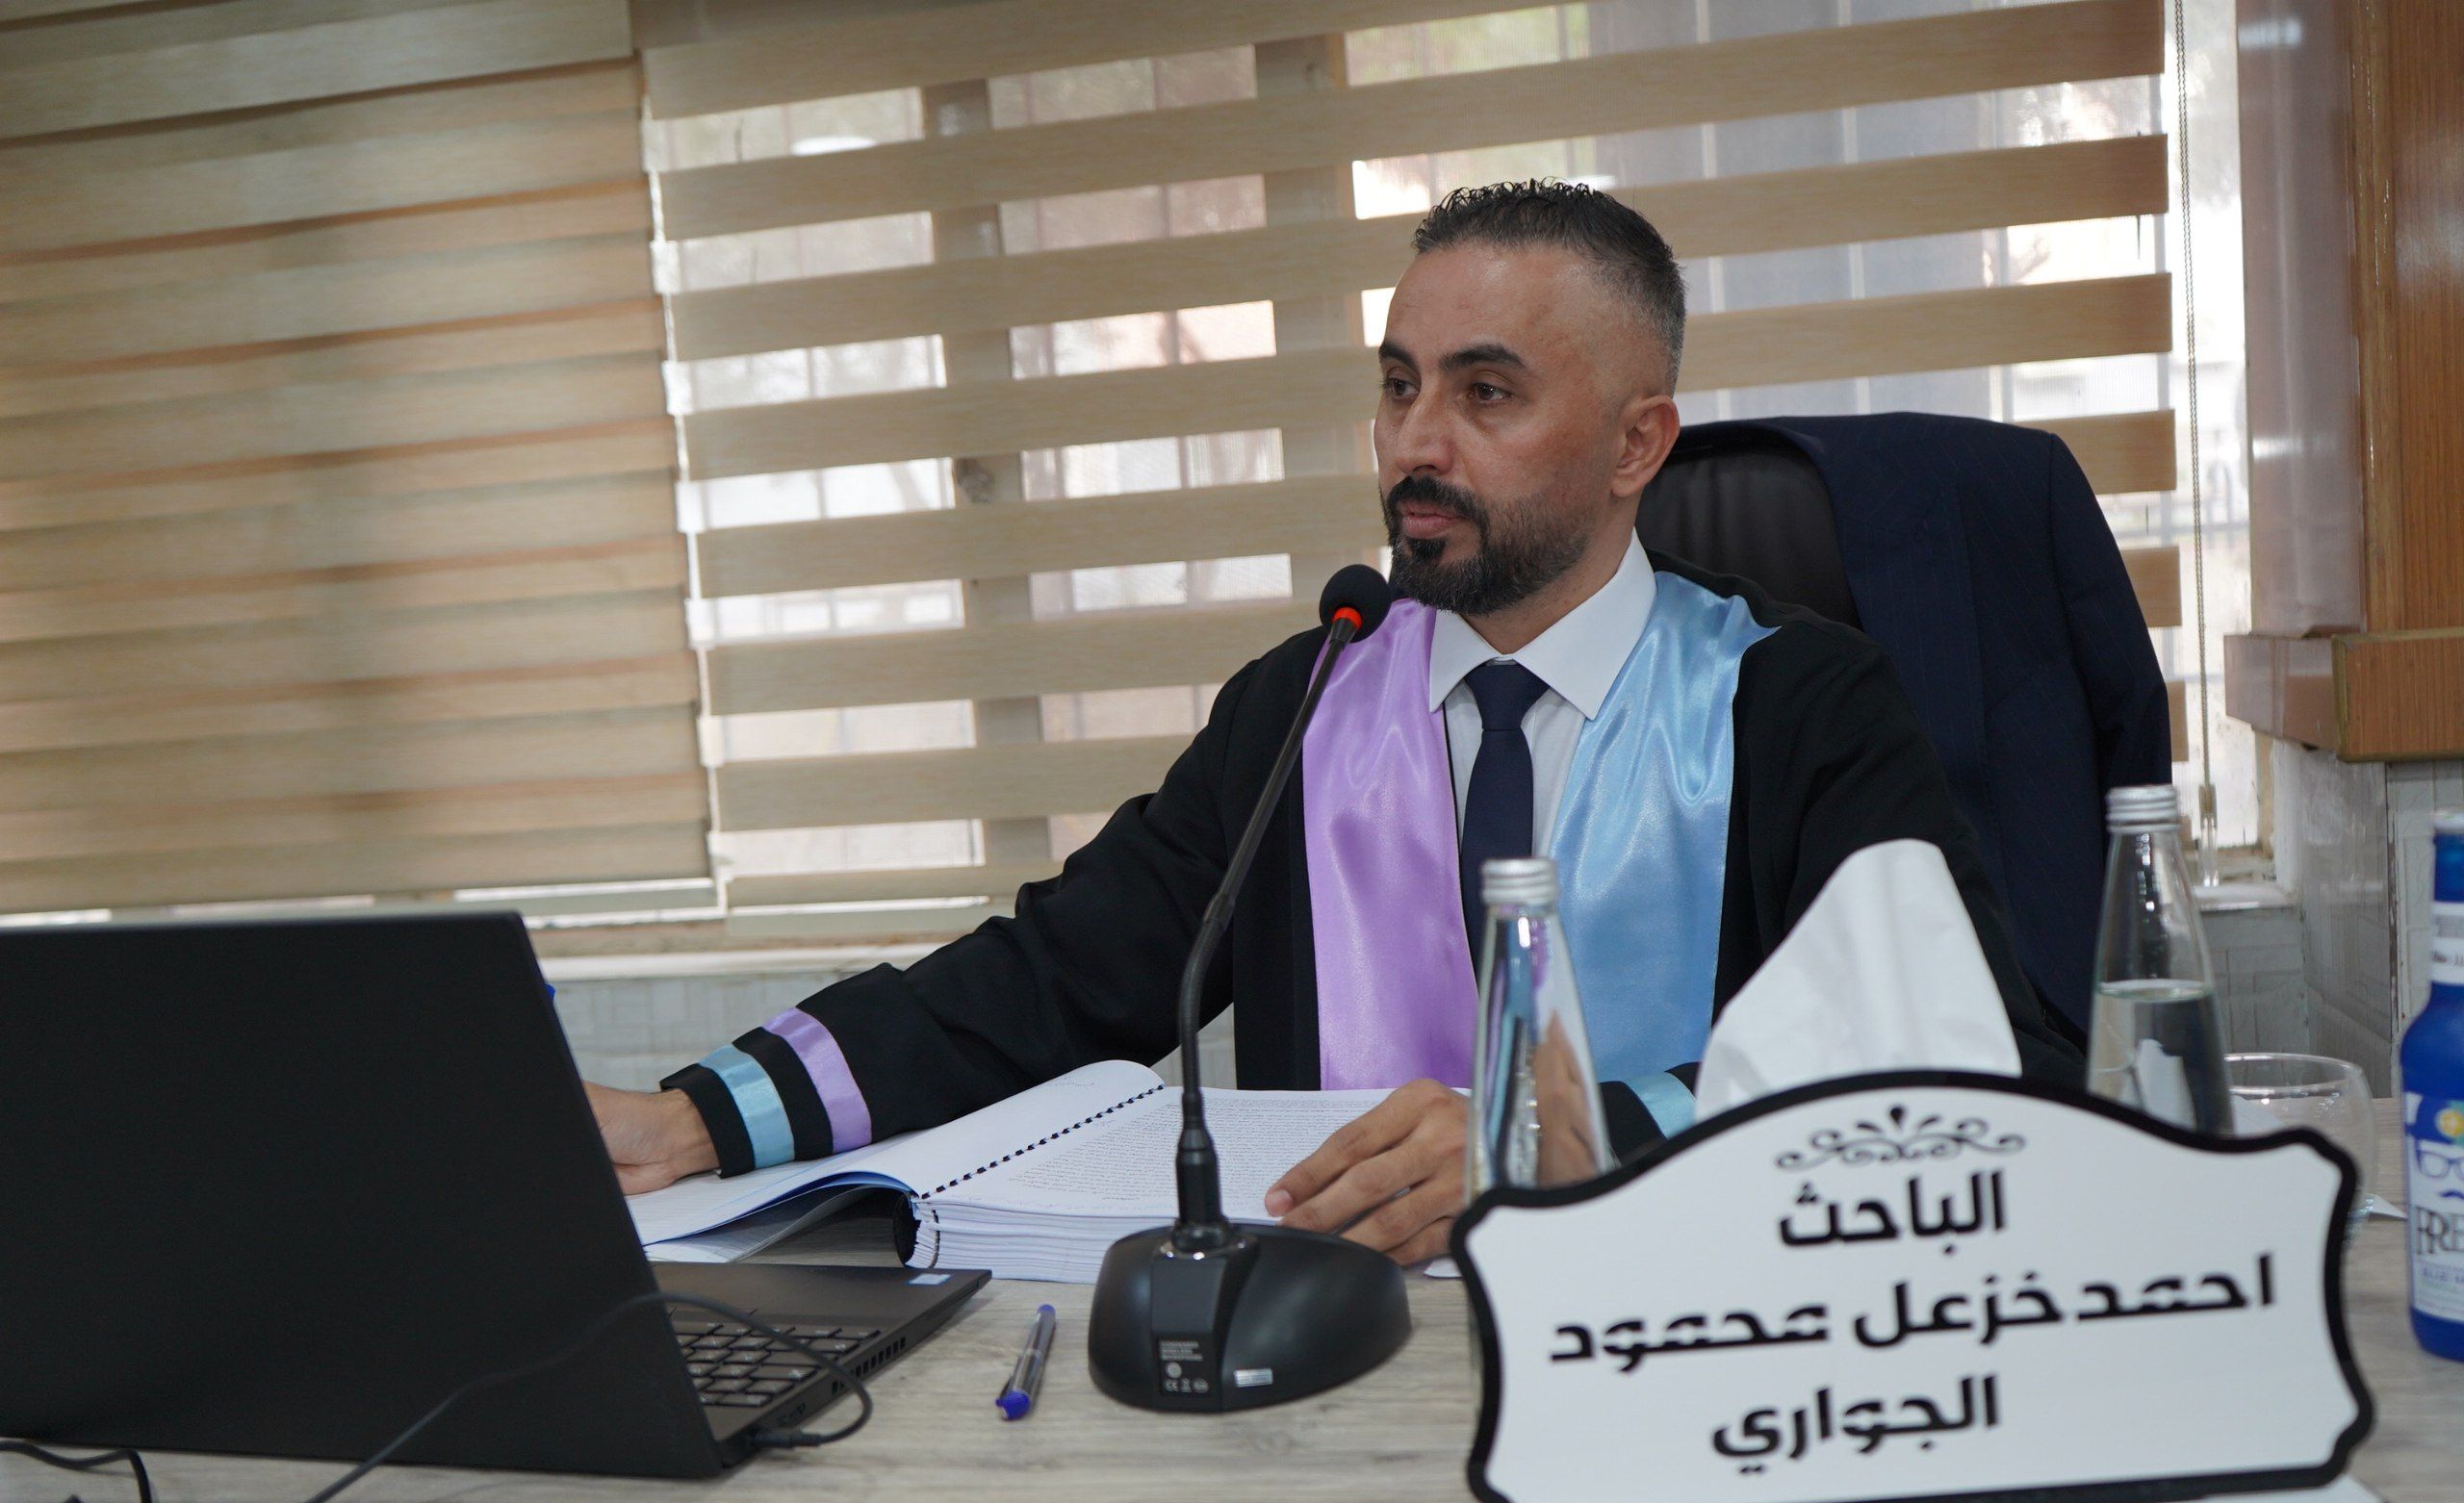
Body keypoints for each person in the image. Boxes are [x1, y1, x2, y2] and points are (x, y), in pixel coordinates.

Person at [587, 180, 2080, 1264]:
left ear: (1639, 443)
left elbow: (1977, 1055)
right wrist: (701, 1117)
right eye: (1399, 385)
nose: (1417, 444)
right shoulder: (1305, 706)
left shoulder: (1796, 699)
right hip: (1339, 1352)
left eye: (1486, 394)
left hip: (1695, 1336)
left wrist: (1574, 1139)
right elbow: (1049, 979)